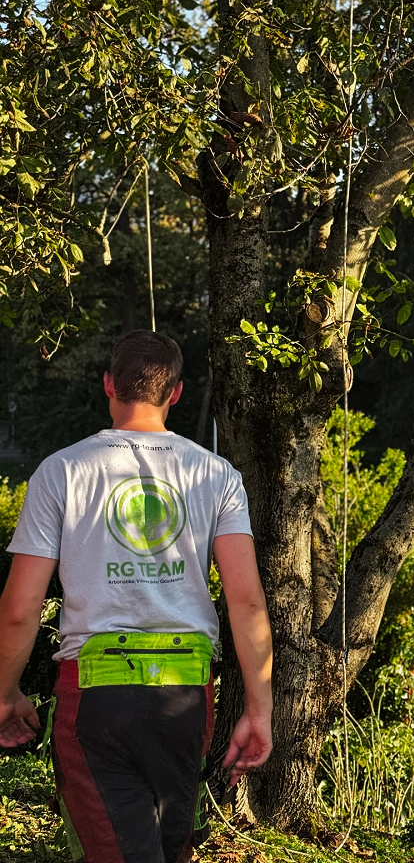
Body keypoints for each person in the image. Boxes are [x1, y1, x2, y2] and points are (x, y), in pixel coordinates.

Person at [0, 330, 273, 863]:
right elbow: (246, 603)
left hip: (95, 696)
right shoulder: (216, 474)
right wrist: (259, 710)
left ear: (109, 384)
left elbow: (18, 609)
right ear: (175, 393)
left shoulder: (61, 471)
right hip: (186, 698)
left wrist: (5, 692)